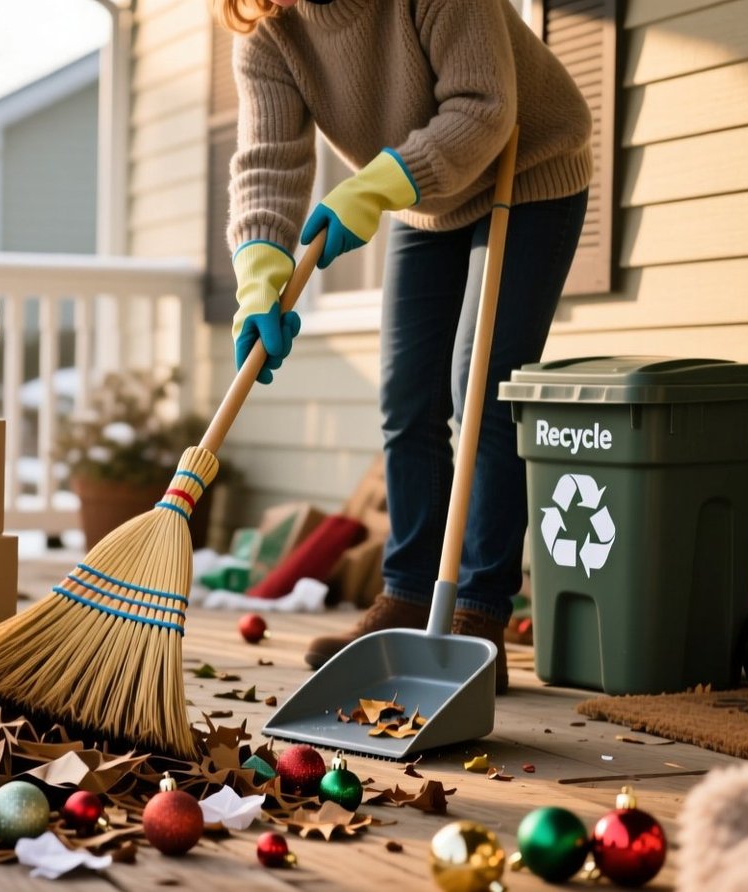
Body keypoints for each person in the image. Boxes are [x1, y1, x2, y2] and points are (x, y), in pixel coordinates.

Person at [218, 0, 592, 692]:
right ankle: (410, 594)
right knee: (407, 396)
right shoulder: (268, 29)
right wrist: (258, 275)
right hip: (428, 195)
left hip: (527, 167)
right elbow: (267, 161)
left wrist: (372, 189)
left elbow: (484, 107)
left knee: (480, 388)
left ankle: (478, 612)